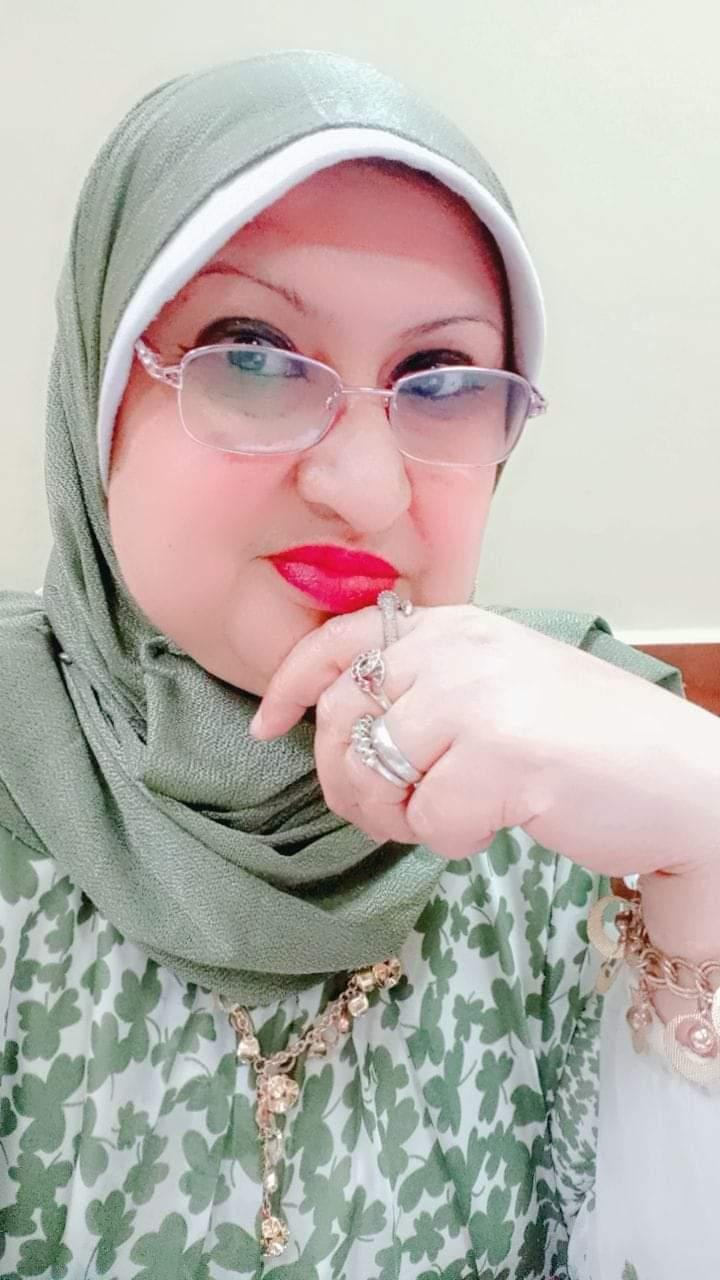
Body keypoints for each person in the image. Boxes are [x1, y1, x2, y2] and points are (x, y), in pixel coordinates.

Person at [1, 50, 719, 1280]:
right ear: (100, 391)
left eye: (441, 381)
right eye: (253, 353)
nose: (368, 486)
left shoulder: (580, 788)